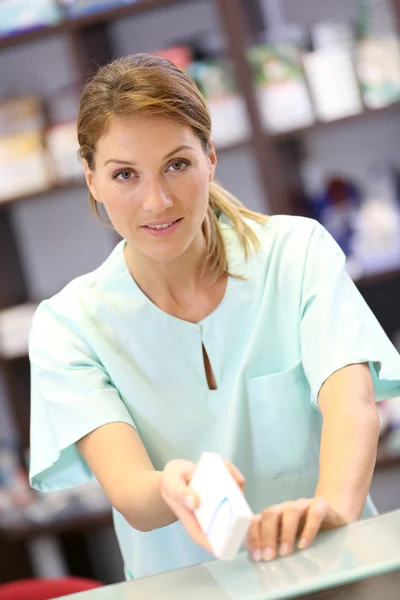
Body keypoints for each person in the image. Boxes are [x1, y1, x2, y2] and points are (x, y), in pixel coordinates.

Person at [29, 54, 400, 581]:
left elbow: (353, 404)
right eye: (125, 175)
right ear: (91, 179)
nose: (156, 201)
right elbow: (130, 490)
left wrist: (331, 509)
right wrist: (169, 488)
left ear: (210, 157)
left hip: (334, 572)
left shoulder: (295, 254)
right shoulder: (69, 327)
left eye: (177, 164)